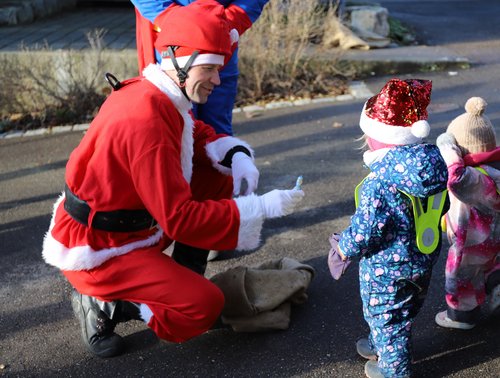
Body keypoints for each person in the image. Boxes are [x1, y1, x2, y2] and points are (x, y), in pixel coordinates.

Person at [41, 0, 304, 358]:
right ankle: (106, 304)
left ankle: (181, 276)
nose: (218, 79)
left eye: (220, 69)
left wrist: (233, 153)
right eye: (210, 69)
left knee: (218, 175)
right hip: (102, 250)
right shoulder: (145, 119)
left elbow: (192, 132)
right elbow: (178, 218)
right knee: (204, 306)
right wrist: (262, 206)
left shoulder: (159, 91)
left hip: (130, 227)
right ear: (180, 61)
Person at [333, 78, 449, 378]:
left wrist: (344, 248)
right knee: (405, 308)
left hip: (386, 266)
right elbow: (443, 207)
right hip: (423, 257)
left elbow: (365, 230)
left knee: (386, 316)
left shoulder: (379, 183)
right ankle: (380, 343)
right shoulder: (435, 167)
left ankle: (393, 368)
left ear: (377, 137)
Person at [131, 0, 269, 136]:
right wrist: (179, 20)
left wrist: (229, 20)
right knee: (173, 128)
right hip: (173, 44)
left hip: (222, 39)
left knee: (218, 132)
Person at [434, 96, 500, 330]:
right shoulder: (496, 169)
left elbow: (456, 177)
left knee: (462, 276)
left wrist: (446, 146)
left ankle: (461, 316)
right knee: (491, 266)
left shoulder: (473, 177)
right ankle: (495, 286)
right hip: (495, 238)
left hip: (470, 242)